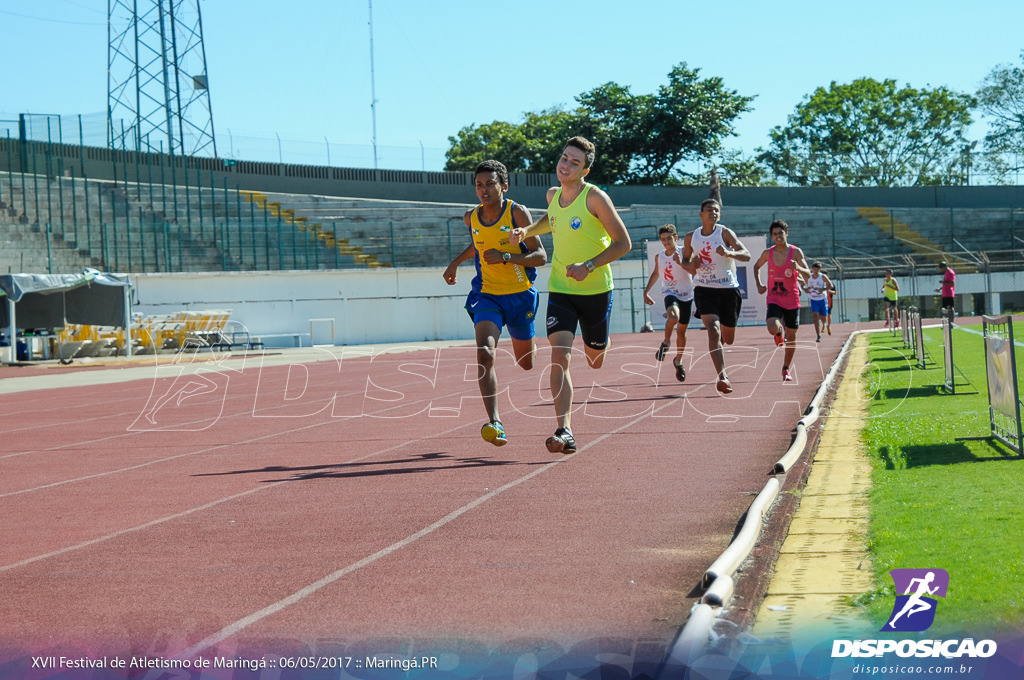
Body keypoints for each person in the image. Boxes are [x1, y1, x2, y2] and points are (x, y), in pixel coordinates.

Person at [510, 136, 632, 454]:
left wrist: (590, 265)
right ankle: (564, 430)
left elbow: (624, 244)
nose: (565, 165)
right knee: (559, 354)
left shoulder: (595, 199)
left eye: (574, 162)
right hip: (562, 289)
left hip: (595, 290)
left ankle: (599, 343)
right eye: (564, 158)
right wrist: (526, 232)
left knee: (594, 360)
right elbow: (550, 222)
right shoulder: (553, 195)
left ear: (585, 170)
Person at [443, 160, 546, 447]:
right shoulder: (471, 217)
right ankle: (495, 421)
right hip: (487, 296)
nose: (484, 190)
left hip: (520, 294)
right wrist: (455, 263)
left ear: (504, 185)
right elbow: (477, 244)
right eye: (479, 185)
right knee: (485, 353)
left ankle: (528, 337)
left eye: (490, 184)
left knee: (526, 363)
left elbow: (540, 256)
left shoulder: (517, 212)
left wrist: (506, 257)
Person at [678, 197, 751, 394]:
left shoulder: (724, 233)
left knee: (728, 338)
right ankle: (723, 376)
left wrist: (729, 253)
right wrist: (691, 266)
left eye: (716, 211)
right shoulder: (691, 237)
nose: (713, 213)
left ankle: (719, 348)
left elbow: (746, 254)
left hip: (728, 290)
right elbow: (684, 261)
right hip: (704, 288)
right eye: (709, 210)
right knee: (713, 329)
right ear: (701, 214)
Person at [754, 220, 811, 382]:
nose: (778, 237)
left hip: (792, 299)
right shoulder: (768, 253)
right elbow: (756, 267)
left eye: (780, 233)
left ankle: (786, 368)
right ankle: (779, 333)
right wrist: (759, 284)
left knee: (792, 336)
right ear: (771, 236)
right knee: (772, 326)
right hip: (774, 297)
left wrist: (798, 268)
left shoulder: (796, 252)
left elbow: (807, 276)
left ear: (787, 233)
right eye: (774, 234)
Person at [643, 224, 692, 382]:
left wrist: (682, 263)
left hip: (686, 295)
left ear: (676, 238)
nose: (666, 242)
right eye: (663, 240)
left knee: (682, 333)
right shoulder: (660, 257)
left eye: (669, 239)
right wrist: (646, 291)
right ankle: (665, 342)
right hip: (670, 293)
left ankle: (678, 361)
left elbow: (693, 269)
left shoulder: (684, 252)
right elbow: (656, 273)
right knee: (673, 317)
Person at [803, 261, 835, 342]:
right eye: (814, 270)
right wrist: (805, 289)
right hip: (813, 299)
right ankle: (818, 336)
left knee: (823, 317)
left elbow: (831, 285)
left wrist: (823, 289)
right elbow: (802, 284)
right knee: (815, 315)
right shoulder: (808, 276)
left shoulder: (822, 277)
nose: (815, 272)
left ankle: (824, 324)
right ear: (812, 269)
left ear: (819, 270)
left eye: (817, 270)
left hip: (822, 299)